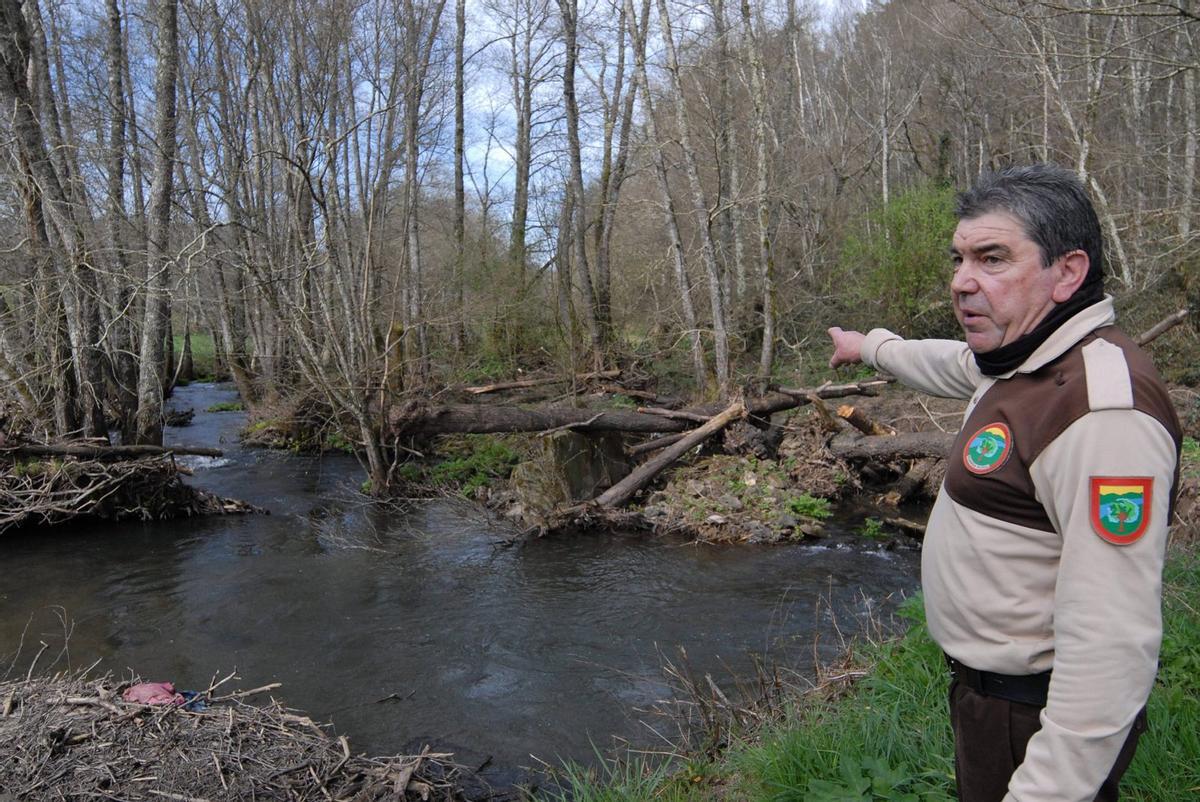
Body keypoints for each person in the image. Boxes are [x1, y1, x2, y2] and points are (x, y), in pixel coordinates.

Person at [827, 164, 1182, 802]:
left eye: (992, 258)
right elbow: (949, 362)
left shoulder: (1102, 413)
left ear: (1067, 272)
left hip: (1036, 716)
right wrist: (871, 346)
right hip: (992, 701)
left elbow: (1112, 640)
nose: (962, 281)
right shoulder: (1024, 357)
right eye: (959, 259)